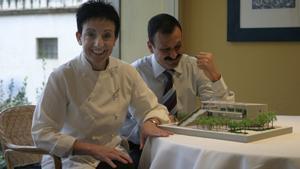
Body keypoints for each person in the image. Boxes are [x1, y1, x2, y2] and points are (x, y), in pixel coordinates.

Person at [31, 1, 172, 169]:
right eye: (90, 34)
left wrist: (150, 122)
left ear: (115, 40)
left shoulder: (125, 72)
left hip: (111, 154)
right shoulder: (62, 76)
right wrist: (91, 149)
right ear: (79, 37)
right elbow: (41, 132)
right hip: (69, 159)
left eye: (106, 36)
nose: (99, 43)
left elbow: (151, 108)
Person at [121, 13, 235, 166]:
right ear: (150, 46)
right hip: (145, 146)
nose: (174, 55)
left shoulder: (194, 66)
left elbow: (224, 113)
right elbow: (122, 124)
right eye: (165, 50)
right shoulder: (135, 72)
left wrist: (215, 76)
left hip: (188, 144)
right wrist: (152, 127)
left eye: (177, 47)